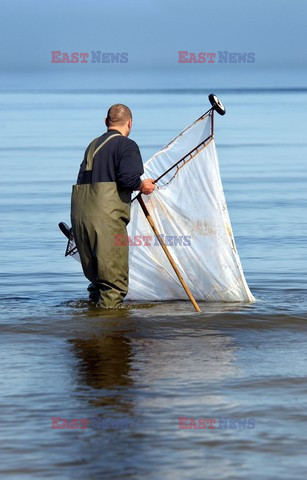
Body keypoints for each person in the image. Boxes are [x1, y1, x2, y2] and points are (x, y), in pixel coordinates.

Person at [71, 104, 155, 308]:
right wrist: (141, 185)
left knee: (97, 280)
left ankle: (90, 331)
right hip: (105, 219)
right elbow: (127, 179)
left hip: (80, 216)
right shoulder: (127, 145)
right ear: (130, 123)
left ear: (105, 122)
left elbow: (82, 179)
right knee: (113, 285)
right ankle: (109, 336)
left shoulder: (92, 145)